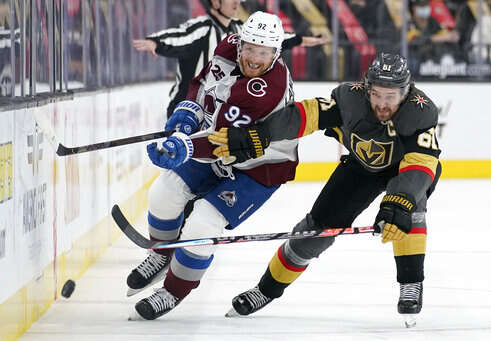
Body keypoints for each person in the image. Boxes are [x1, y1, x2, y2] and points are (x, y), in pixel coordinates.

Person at [208, 53, 442, 327]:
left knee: (408, 213)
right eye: (376, 94)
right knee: (313, 233)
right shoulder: (349, 98)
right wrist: (263, 133)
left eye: (390, 96)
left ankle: (411, 283)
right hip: (360, 168)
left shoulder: (420, 110)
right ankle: (265, 290)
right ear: (367, 88)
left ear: (406, 92)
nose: (382, 103)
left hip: (407, 169)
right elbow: (305, 114)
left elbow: (421, 163)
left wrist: (400, 201)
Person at [128, 11, 300, 321]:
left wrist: (185, 145)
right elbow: (203, 83)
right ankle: (161, 252)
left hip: (259, 166)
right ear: (240, 43)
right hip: (218, 145)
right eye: (249, 48)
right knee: (163, 193)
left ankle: (173, 291)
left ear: (276, 53)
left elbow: (224, 140)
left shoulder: (265, 90)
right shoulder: (226, 46)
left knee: (203, 224)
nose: (254, 58)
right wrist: (190, 110)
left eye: (263, 52)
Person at [132, 0, 329, 118]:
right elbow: (180, 36)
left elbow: (268, 41)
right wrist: (156, 42)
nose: (237, 3)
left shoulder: (239, 28)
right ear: (215, 2)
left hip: (218, 108)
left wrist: (298, 39)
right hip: (187, 107)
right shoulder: (202, 28)